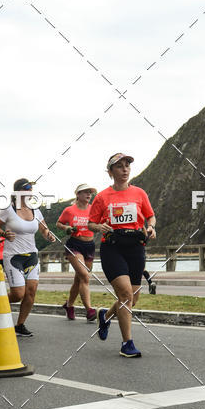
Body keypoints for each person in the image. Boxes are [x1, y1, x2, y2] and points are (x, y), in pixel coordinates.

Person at [88, 153, 156, 358]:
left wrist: (151, 227)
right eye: (119, 166)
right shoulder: (102, 197)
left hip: (135, 247)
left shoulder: (139, 193)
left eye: (127, 166)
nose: (125, 169)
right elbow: (91, 223)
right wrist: (99, 226)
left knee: (132, 299)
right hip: (113, 247)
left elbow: (150, 215)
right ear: (110, 172)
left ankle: (106, 316)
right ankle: (127, 343)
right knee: (125, 295)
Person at [0, 177, 56, 337]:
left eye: (30, 188)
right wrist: (4, 233)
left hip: (31, 255)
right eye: (26, 188)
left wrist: (49, 235)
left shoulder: (36, 210)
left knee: (31, 291)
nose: (29, 191)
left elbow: (44, 229)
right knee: (18, 294)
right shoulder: (8, 210)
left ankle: (20, 325)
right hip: (13, 256)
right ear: (17, 192)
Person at [57, 184, 97, 321]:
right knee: (85, 276)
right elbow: (59, 223)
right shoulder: (69, 210)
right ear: (78, 194)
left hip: (90, 245)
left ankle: (69, 305)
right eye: (85, 192)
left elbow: (99, 223)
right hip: (74, 245)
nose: (88, 194)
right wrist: (67, 227)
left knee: (79, 279)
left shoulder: (94, 209)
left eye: (90, 192)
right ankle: (90, 310)